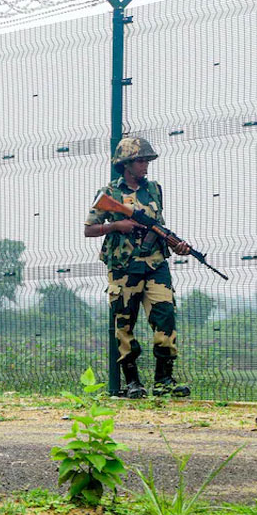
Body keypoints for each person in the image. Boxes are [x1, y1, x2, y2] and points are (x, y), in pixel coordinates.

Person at [84, 136, 191, 398]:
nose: (145, 165)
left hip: (155, 265)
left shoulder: (154, 189)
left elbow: (158, 225)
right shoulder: (110, 193)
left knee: (165, 320)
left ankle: (163, 381)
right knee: (125, 323)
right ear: (126, 164)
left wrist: (176, 244)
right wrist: (115, 226)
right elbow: (89, 230)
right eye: (141, 160)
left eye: (146, 160)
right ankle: (132, 383)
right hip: (124, 267)